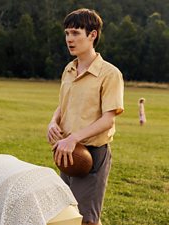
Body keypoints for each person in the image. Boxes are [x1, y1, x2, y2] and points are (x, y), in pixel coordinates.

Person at [46, 9, 124, 225]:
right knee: (66, 213)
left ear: (92, 35)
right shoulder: (69, 69)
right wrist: (53, 122)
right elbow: (62, 106)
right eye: (67, 34)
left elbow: (108, 119)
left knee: (86, 219)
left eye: (75, 33)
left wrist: (73, 138)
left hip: (91, 153)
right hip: (66, 152)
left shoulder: (110, 73)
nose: (69, 39)